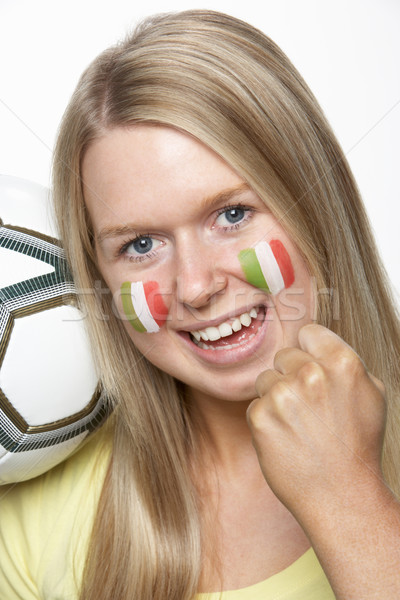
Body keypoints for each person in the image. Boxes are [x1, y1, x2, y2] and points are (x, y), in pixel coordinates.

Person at [1, 9, 400, 600]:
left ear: (314, 200)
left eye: (231, 215)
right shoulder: (42, 507)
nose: (194, 286)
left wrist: (349, 499)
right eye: (140, 245)